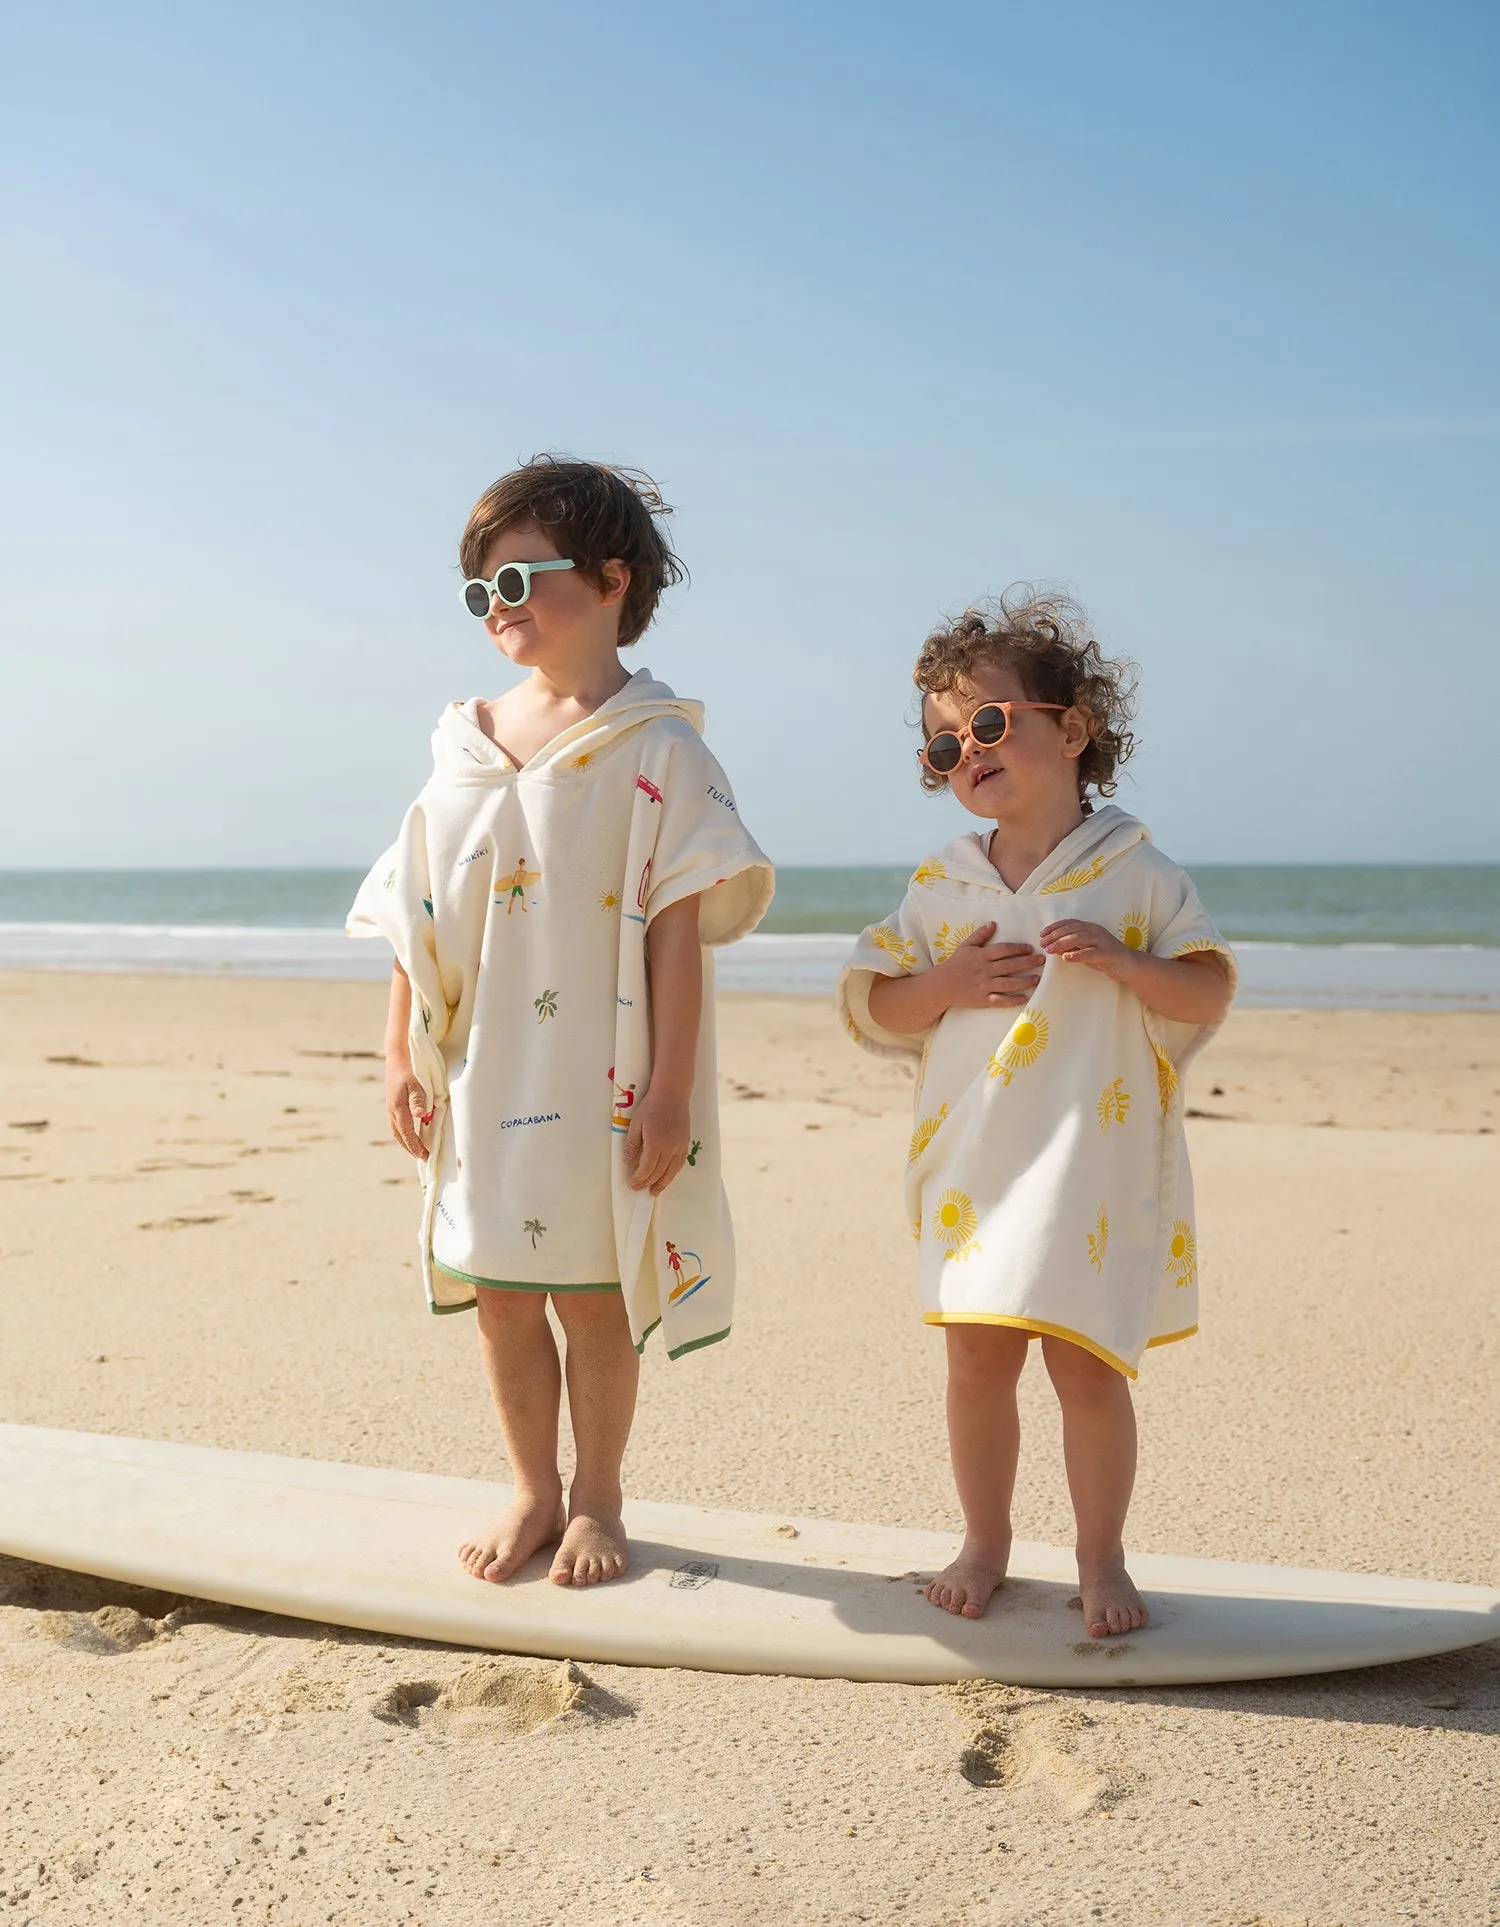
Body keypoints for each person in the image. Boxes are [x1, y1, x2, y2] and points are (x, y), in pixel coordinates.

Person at [348, 456, 773, 1590]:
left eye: (523, 578)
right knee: (499, 1290)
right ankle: (533, 1484)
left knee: (592, 1291)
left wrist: (673, 1090)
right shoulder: (466, 740)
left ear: (613, 578)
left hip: (605, 1072)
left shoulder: (660, 747)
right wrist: (398, 1051)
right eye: (480, 591)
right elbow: (412, 903)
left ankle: (599, 1496)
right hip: (485, 1066)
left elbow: (678, 931)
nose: (502, 607)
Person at [837, 588, 1235, 1638]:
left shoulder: (1135, 870)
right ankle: (986, 1539)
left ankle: (1100, 1557)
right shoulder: (941, 886)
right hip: (975, 1158)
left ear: (1075, 727)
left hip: (1085, 1163)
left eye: (987, 722)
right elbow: (874, 1003)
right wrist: (948, 987)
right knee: (975, 1358)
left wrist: (1129, 963)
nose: (964, 751)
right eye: (940, 746)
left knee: (1085, 1363)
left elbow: (1206, 992)